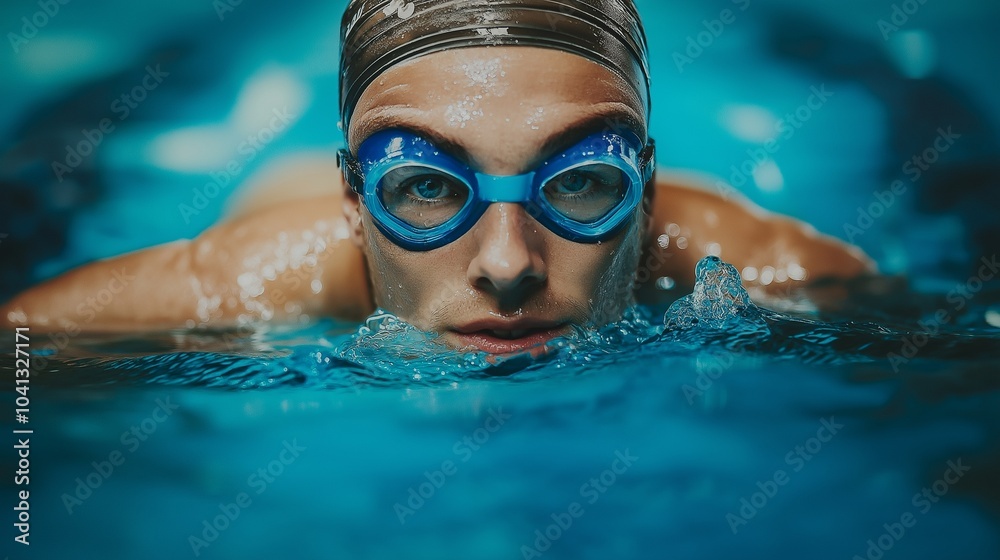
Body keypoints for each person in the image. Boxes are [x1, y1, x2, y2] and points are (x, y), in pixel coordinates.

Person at [1, 0, 872, 354]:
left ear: (643, 182)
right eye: (425, 185)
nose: (507, 264)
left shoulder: (774, 271)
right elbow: (22, 344)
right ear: (353, 197)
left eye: (579, 182)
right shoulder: (251, 281)